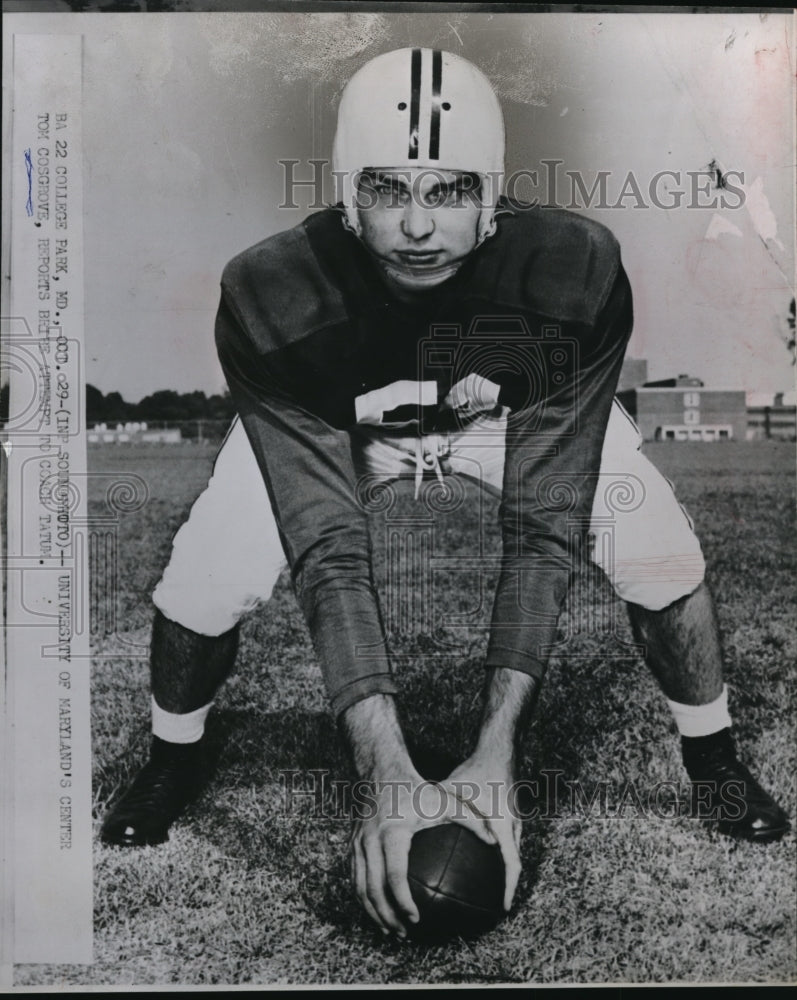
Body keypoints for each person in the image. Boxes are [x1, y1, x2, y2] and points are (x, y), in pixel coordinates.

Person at [101, 48, 789, 938]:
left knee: (659, 551)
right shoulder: (271, 292)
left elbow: (545, 527)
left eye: (451, 191)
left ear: (495, 198)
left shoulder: (571, 271)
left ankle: (714, 757)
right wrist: (387, 770)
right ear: (346, 194)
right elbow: (327, 546)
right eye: (388, 190)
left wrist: (495, 756)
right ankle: (173, 754)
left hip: (505, 419)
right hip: (343, 426)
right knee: (204, 575)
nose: (418, 225)